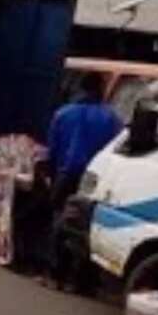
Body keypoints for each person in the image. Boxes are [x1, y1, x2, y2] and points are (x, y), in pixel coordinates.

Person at [43, 72, 122, 287]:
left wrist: (51, 176)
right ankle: (81, 281)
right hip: (95, 180)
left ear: (80, 88)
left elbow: (52, 150)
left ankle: (54, 275)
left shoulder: (63, 114)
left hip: (66, 175)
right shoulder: (113, 120)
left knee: (59, 221)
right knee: (87, 227)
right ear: (101, 90)